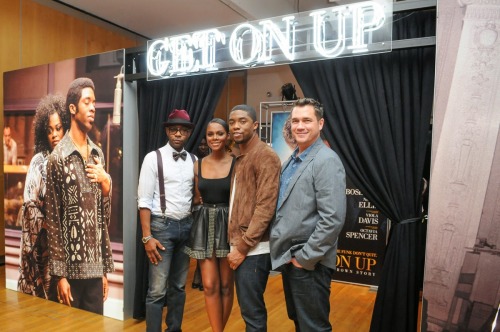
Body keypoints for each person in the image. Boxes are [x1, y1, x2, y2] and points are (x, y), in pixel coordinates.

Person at [270, 98, 347, 332]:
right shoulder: (292, 160)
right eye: (295, 121)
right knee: (300, 323)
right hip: (290, 259)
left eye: (307, 120)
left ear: (320, 123)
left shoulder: (326, 160)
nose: (300, 126)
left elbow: (332, 219)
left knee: (313, 327)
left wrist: (304, 259)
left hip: (309, 263)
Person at [45, 77, 114, 315]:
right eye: (87, 102)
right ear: (73, 108)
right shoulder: (58, 158)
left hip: (95, 272)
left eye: (94, 102)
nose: (93, 107)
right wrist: (60, 275)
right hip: (70, 274)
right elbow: (53, 219)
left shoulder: (97, 154)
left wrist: (106, 185)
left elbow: (101, 218)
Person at [137, 109, 196, 332]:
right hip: (161, 228)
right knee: (157, 290)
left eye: (183, 129)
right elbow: (143, 201)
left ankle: (174, 329)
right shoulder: (153, 158)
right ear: (167, 131)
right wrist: (147, 237)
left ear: (189, 132)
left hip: (187, 227)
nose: (178, 133)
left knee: (179, 287)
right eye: (174, 129)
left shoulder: (194, 160)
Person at [227, 104, 281, 332]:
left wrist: (242, 247)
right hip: (242, 244)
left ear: (255, 125)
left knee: (253, 314)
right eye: (232, 122)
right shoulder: (241, 156)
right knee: (249, 311)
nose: (236, 126)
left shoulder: (265, 155)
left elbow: (265, 207)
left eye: (242, 121)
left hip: (254, 249)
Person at [184, 118, 235, 332]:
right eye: (210, 134)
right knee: (210, 285)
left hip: (228, 225)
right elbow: (197, 197)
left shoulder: (236, 162)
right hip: (204, 225)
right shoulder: (198, 165)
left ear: (227, 136)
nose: (214, 138)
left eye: (219, 133)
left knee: (225, 286)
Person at [17, 94, 70, 300]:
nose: (54, 135)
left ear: (65, 127)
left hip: (64, 246)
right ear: (43, 133)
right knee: (42, 301)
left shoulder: (69, 162)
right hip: (40, 246)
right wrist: (50, 225)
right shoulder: (39, 162)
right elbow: (29, 205)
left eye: (58, 128)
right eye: (49, 131)